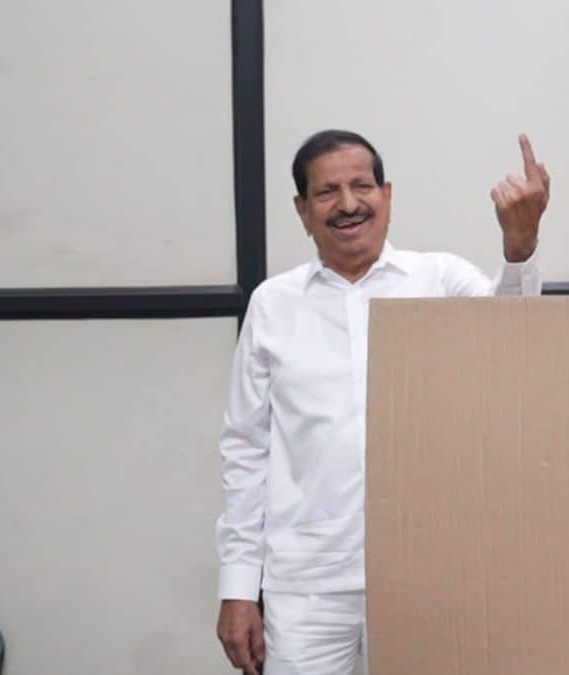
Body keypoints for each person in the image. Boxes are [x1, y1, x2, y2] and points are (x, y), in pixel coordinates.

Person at [214, 129, 549, 675]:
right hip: (307, 582)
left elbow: (512, 339)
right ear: (302, 210)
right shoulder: (273, 304)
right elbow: (246, 450)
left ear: (387, 195)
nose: (348, 204)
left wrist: (521, 245)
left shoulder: (438, 278)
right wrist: (238, 587)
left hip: (429, 572)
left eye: (362, 186)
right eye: (327, 192)